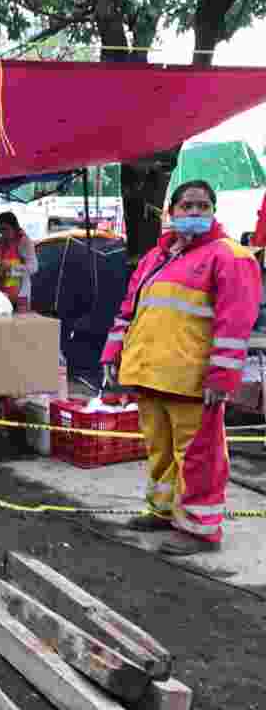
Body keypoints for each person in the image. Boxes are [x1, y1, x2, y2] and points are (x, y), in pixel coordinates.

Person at [101, 179, 261, 556]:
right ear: (170, 212)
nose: (194, 213)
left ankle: (199, 529)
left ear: (213, 212)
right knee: (159, 450)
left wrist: (222, 378)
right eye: (186, 206)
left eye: (202, 206)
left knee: (198, 457)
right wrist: (112, 354)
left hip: (193, 381)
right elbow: (129, 311)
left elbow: (235, 325)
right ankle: (162, 510)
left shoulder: (230, 257)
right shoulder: (155, 258)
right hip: (149, 375)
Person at [0, 211, 39, 312]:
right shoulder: (1, 241)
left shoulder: (24, 242)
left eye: (5, 229)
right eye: (0, 230)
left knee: (20, 323)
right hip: (3, 293)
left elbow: (34, 267)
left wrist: (12, 267)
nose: (3, 233)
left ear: (14, 227)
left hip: (20, 294)